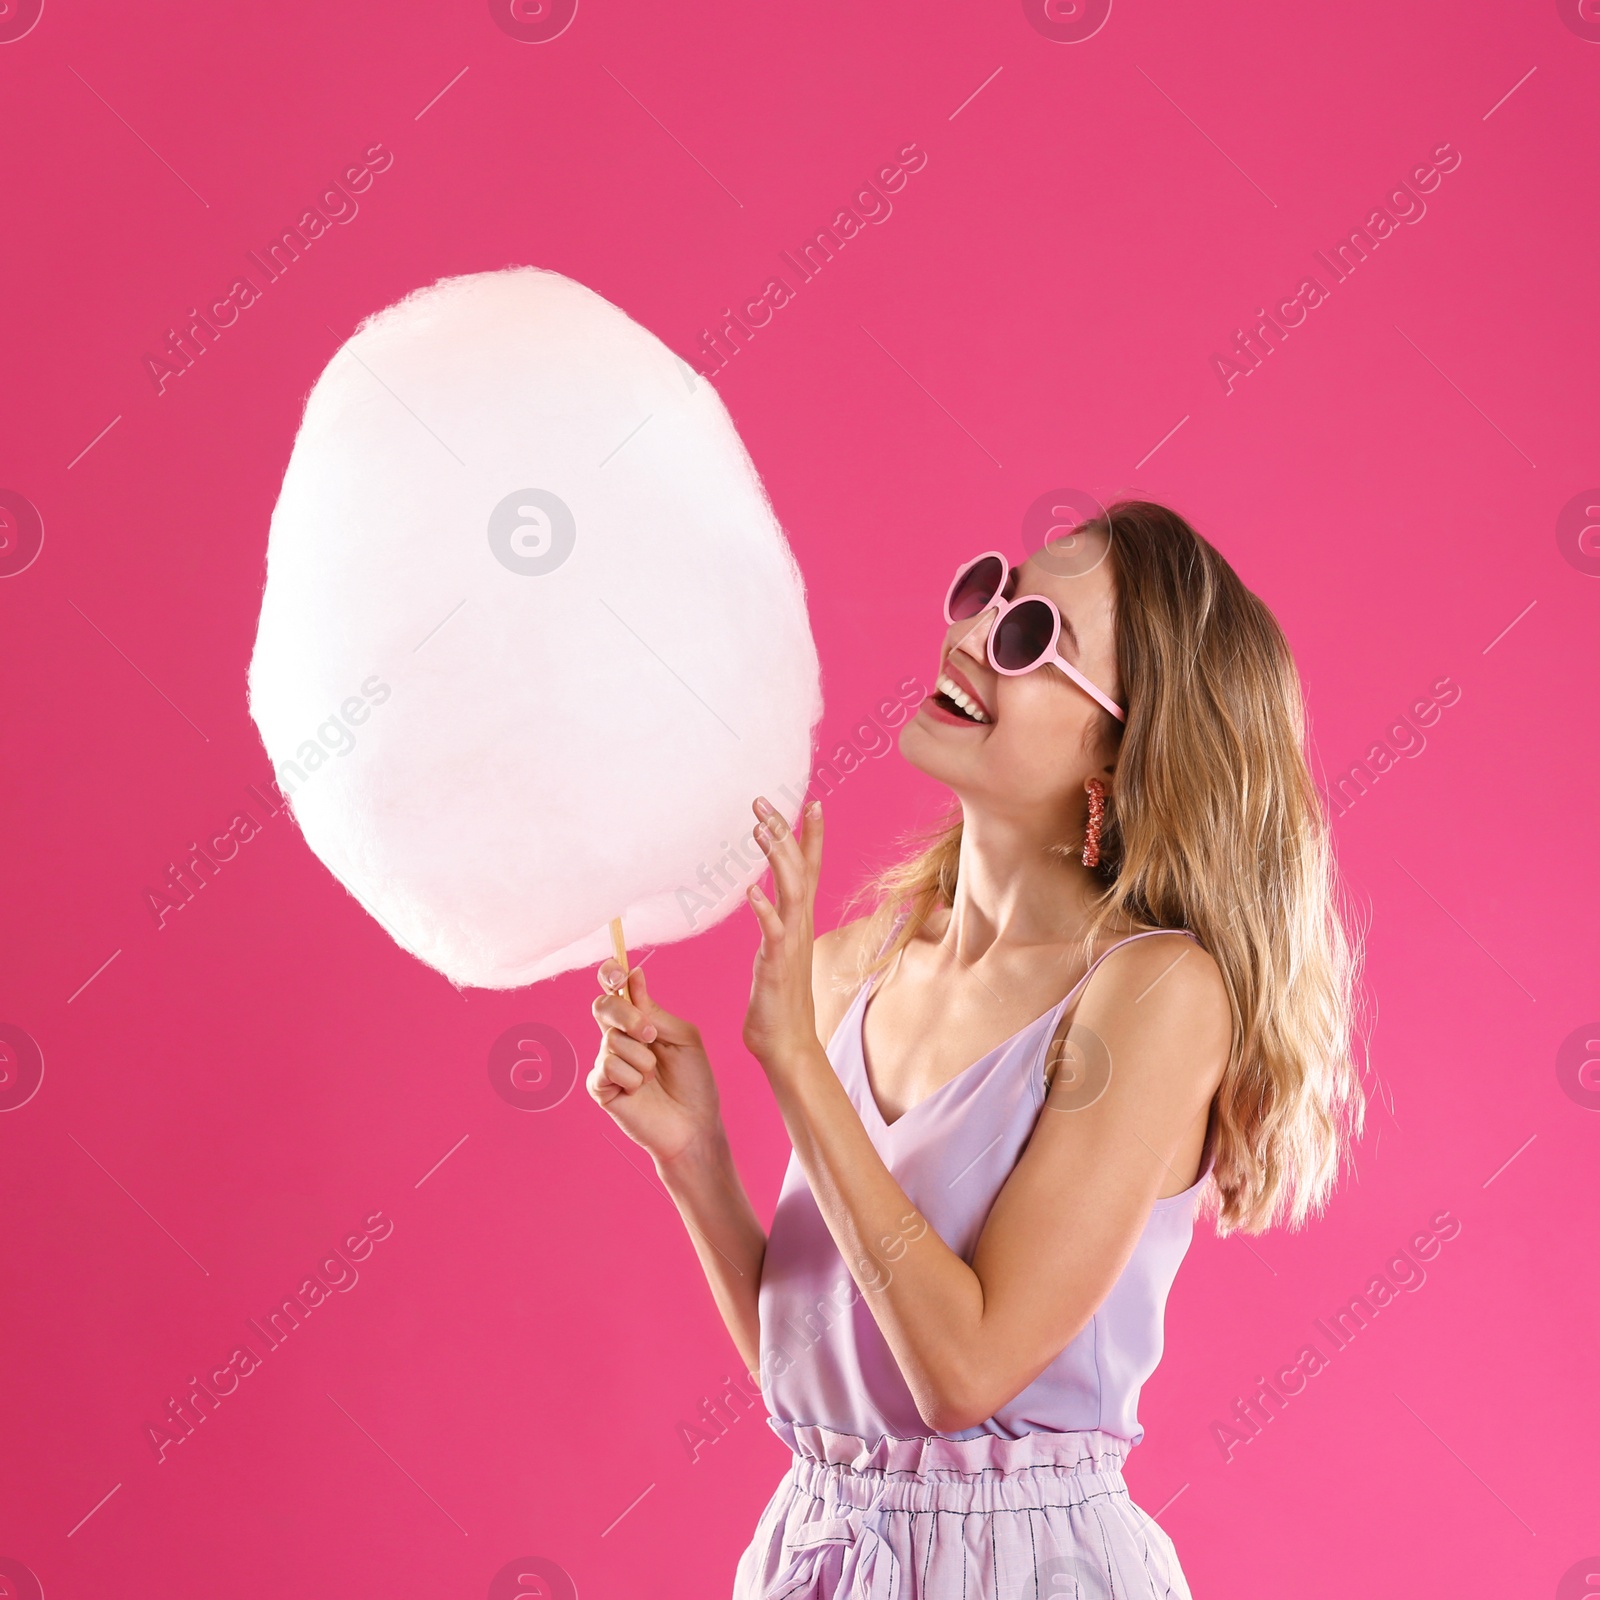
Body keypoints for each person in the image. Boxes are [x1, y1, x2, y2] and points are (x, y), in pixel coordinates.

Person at [588, 501, 1363, 1598]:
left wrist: (800, 1072)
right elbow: (819, 1375)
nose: (969, 636)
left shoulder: (1153, 994)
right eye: (991, 592)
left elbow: (963, 1372)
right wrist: (695, 1156)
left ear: (1124, 743)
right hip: (816, 1553)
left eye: (1030, 634)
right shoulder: (849, 963)